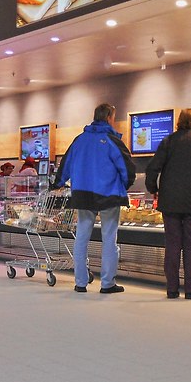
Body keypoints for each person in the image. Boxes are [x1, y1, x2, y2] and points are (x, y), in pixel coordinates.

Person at [54, 103, 135, 294]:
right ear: (109, 118)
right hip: (109, 195)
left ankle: (80, 282)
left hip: (82, 195)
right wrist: (123, 185)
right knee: (109, 239)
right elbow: (127, 168)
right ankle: (107, 283)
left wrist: (58, 183)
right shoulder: (112, 140)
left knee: (81, 237)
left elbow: (65, 165)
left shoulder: (79, 140)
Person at [145, 108, 191, 300]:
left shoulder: (168, 141)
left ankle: (172, 289)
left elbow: (153, 168)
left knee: (172, 245)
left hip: (170, 202)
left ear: (179, 121)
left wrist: (153, 188)